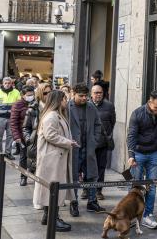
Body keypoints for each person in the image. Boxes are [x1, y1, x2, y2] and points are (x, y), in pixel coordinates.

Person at [127, 90, 157, 230]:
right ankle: (133, 215)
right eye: (156, 107)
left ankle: (148, 215)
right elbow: (131, 135)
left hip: (155, 153)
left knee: (151, 187)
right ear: (149, 101)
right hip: (139, 153)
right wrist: (131, 155)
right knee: (135, 186)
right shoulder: (137, 113)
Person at [33, 90, 77, 232]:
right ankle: (53, 217)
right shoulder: (51, 116)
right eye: (64, 99)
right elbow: (50, 135)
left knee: (50, 188)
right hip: (51, 159)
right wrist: (68, 142)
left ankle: (48, 216)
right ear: (58, 100)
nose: (66, 101)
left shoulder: (56, 115)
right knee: (53, 189)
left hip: (54, 158)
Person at [68, 83, 105, 216]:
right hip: (73, 148)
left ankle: (92, 202)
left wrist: (94, 141)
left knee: (92, 175)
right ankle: (74, 203)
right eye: (81, 96)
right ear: (73, 94)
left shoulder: (91, 107)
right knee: (73, 177)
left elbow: (97, 124)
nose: (84, 98)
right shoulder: (67, 107)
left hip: (89, 147)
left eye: (86, 95)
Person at [91, 83, 116, 201]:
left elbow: (113, 122)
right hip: (89, 143)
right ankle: (87, 189)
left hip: (103, 143)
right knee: (88, 167)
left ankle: (98, 190)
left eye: (100, 93)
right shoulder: (87, 104)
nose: (98, 95)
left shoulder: (109, 106)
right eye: (96, 93)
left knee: (101, 167)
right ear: (91, 94)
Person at [10, 85, 36, 186]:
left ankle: (34, 175)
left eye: (32, 95)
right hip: (23, 135)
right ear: (23, 95)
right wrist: (16, 137)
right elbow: (13, 122)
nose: (31, 97)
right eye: (28, 95)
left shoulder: (36, 103)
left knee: (34, 156)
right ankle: (23, 176)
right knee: (23, 157)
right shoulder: (18, 105)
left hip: (34, 135)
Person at [0, 77, 21, 161]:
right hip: (0, 118)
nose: (7, 85)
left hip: (12, 118)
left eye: (9, 83)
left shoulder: (16, 92)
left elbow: (19, 105)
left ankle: (8, 153)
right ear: (3, 84)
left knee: (10, 136)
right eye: (5, 83)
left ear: (11, 84)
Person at [24, 83, 51, 175]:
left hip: (50, 142)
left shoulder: (54, 107)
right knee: (36, 169)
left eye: (49, 93)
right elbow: (26, 127)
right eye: (45, 93)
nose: (48, 95)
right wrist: (29, 139)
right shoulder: (33, 109)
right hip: (36, 141)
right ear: (40, 93)